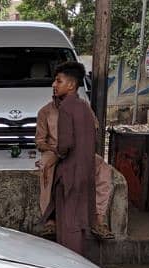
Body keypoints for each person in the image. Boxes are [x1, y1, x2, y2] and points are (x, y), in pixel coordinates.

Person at [36, 94, 114, 239]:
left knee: (104, 169)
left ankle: (99, 220)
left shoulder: (83, 108)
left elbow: (93, 130)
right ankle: (50, 220)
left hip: (79, 151)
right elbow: (40, 142)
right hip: (54, 151)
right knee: (46, 168)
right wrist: (56, 151)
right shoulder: (45, 112)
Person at [40, 62, 97, 254]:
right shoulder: (84, 107)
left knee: (68, 223)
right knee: (81, 222)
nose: (54, 85)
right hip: (86, 171)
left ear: (71, 85)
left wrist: (57, 155)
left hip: (70, 173)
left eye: (58, 81)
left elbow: (65, 145)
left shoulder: (65, 108)